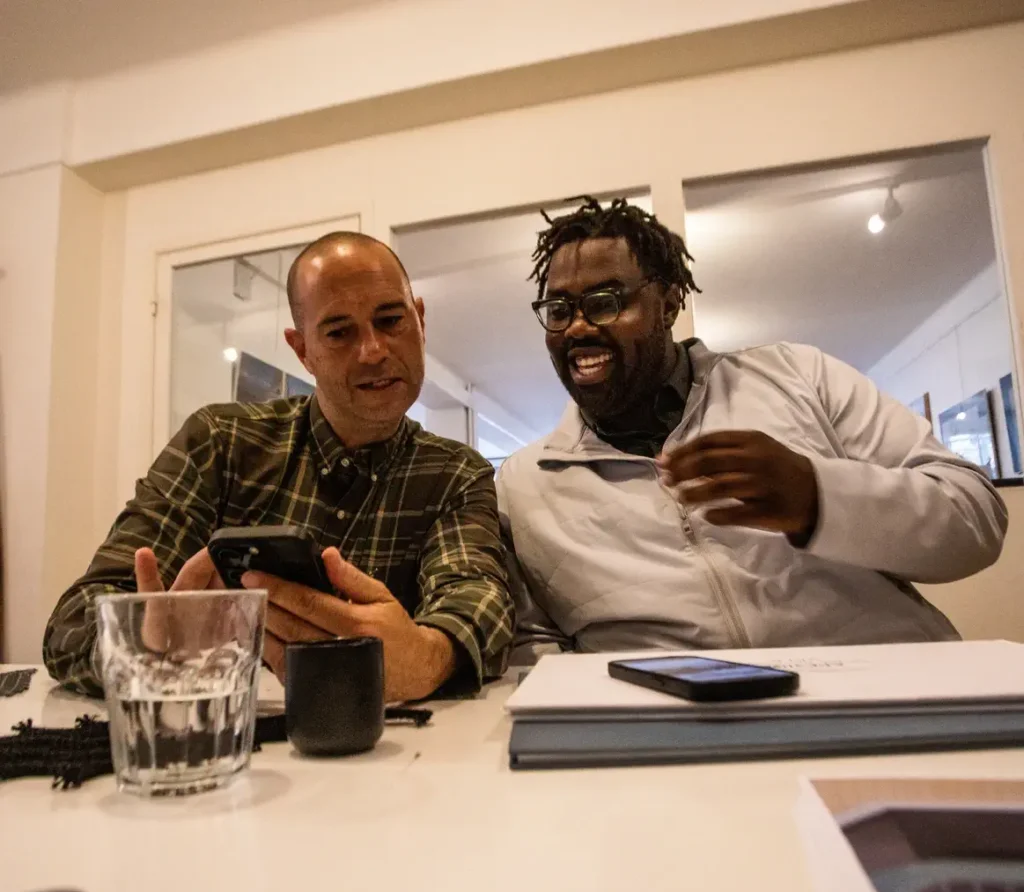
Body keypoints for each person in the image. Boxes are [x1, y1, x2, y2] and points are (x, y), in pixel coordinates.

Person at [497, 197, 1007, 661]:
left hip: (892, 700)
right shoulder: (525, 485)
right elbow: (534, 648)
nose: (579, 328)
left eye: (606, 301)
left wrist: (818, 497)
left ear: (669, 303)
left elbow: (975, 517)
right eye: (559, 310)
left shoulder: (798, 377)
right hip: (674, 737)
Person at [44, 232, 514, 699]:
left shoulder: (457, 473)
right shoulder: (219, 444)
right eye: (339, 332)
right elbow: (72, 624)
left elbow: (476, 598)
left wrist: (428, 656)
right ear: (301, 349)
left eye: (391, 320)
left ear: (421, 321)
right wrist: (143, 645)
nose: (373, 350)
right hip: (219, 746)